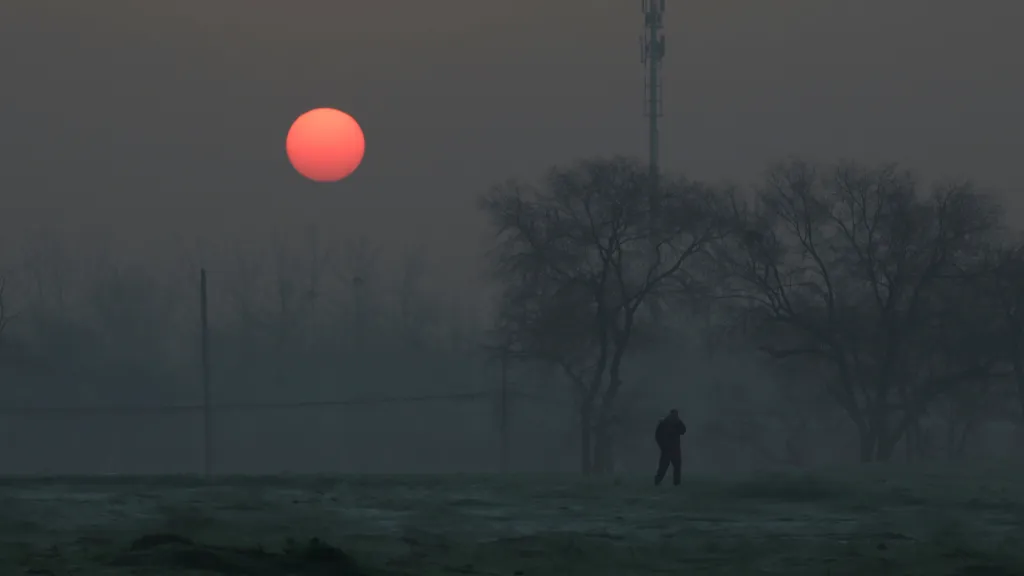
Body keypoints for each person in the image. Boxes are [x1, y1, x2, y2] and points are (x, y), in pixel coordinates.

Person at [654, 409, 687, 486]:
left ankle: (676, 483)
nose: (675, 416)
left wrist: (679, 422)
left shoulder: (676, 423)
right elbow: (658, 436)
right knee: (663, 467)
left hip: (674, 449)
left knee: (676, 468)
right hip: (667, 450)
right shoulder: (664, 423)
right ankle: (657, 481)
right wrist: (662, 446)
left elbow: (683, 431)